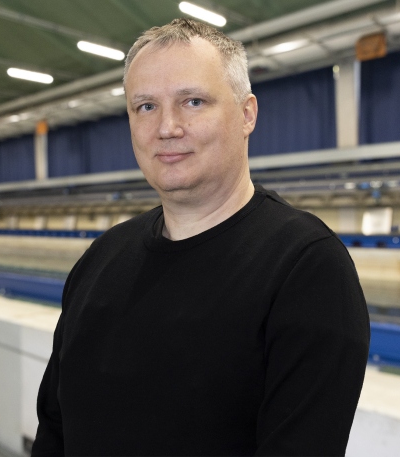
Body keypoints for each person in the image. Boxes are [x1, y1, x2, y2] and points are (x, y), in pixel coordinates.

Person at [32, 18, 370, 457]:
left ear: (247, 114)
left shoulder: (306, 270)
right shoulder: (100, 260)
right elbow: (54, 429)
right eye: (146, 107)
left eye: (192, 101)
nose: (167, 127)